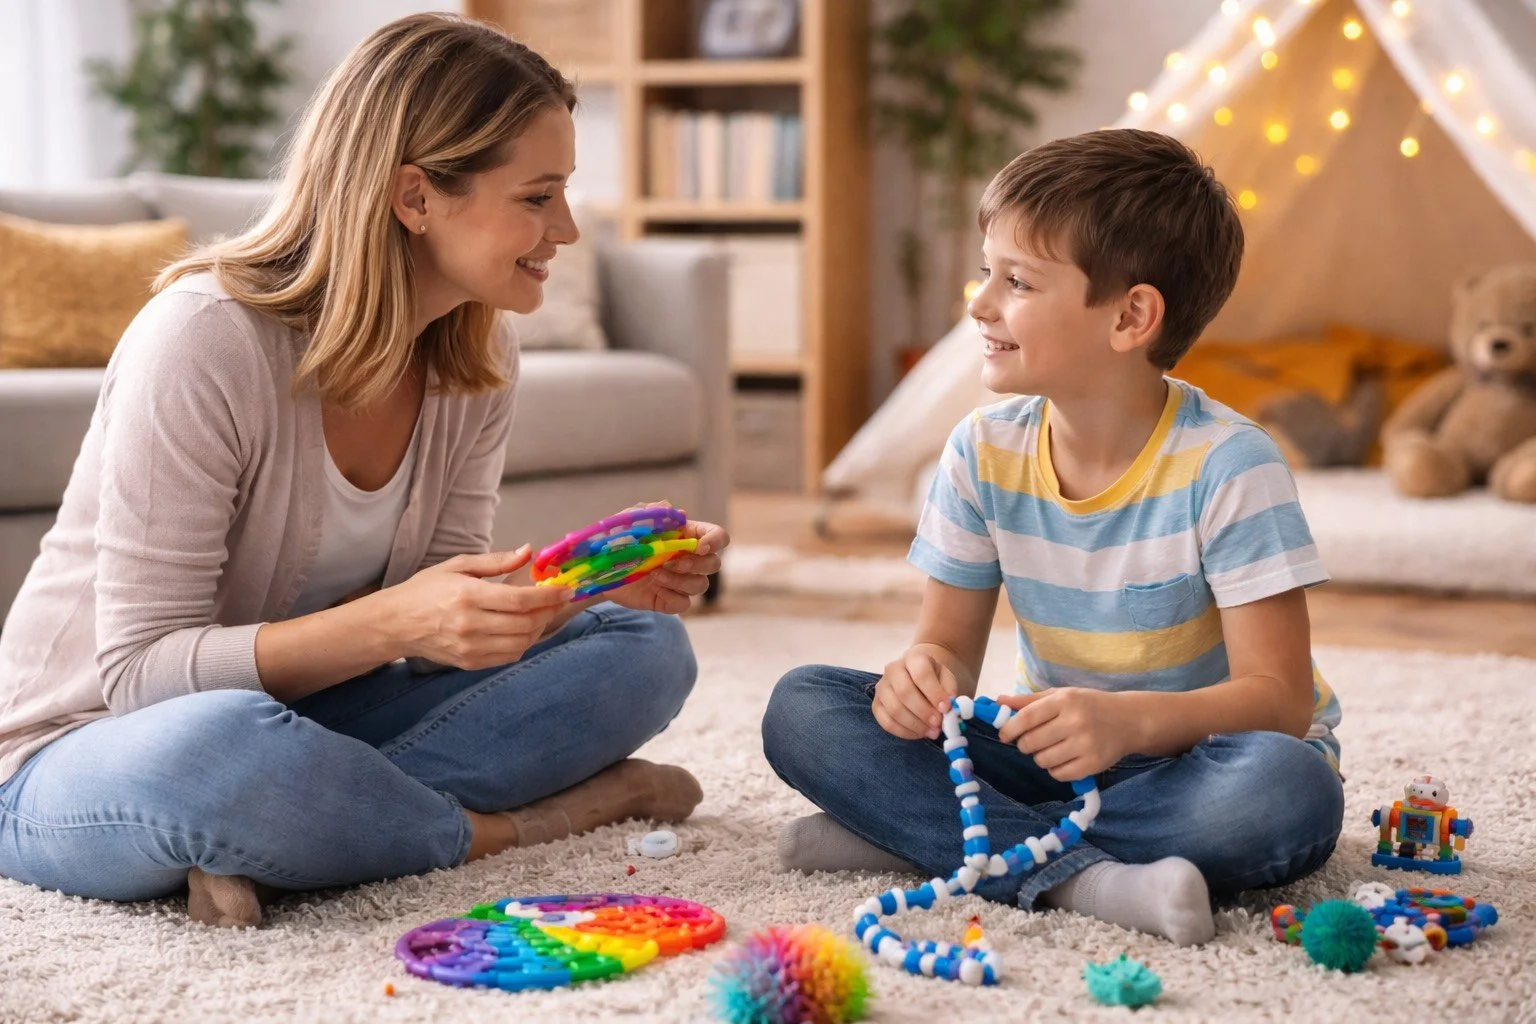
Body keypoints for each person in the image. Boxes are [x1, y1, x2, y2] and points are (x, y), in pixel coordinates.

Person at [0, 13, 726, 929]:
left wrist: (591, 584)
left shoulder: (475, 348)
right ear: (414, 196)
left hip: (314, 721)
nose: (569, 229)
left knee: (643, 650)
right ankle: (517, 824)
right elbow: (142, 675)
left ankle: (297, 834)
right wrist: (393, 622)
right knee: (221, 754)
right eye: (538, 197)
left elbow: (431, 639)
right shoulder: (202, 340)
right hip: (87, 745)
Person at [762, 129, 1344, 946]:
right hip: (1057, 757)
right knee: (803, 706)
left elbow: (1278, 703)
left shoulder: (1231, 464)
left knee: (1288, 794)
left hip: (1200, 763)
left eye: (1019, 281)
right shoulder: (981, 449)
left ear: (1131, 316)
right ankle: (1085, 880)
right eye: (985, 270)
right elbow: (946, 654)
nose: (979, 302)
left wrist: (1127, 723)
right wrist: (918, 680)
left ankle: (938, 839)